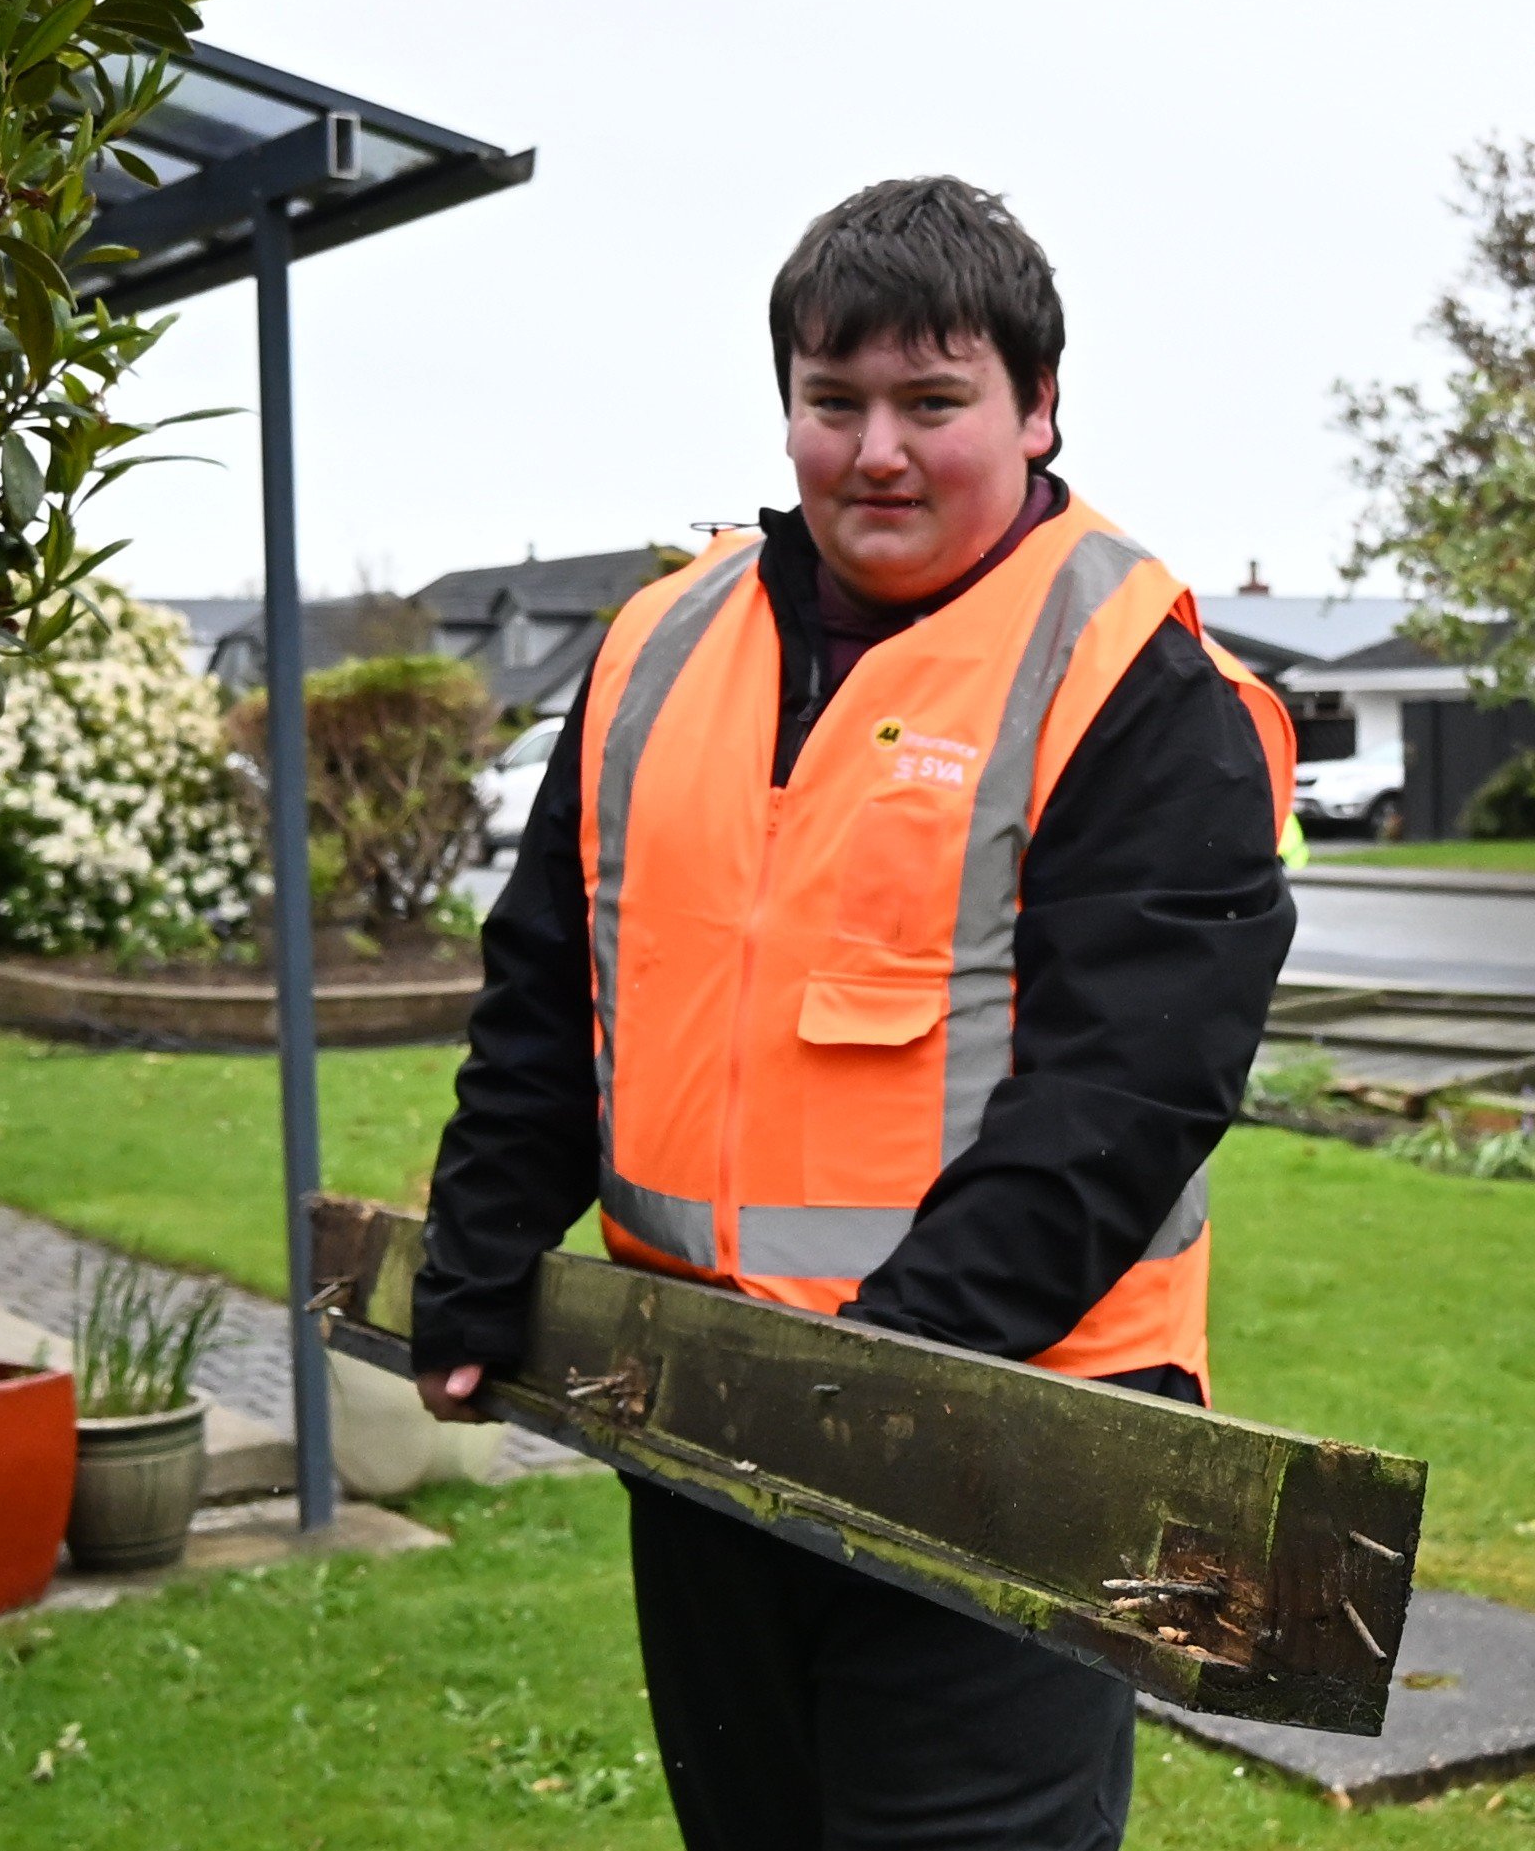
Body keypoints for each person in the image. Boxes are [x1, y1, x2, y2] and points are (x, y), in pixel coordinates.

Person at [408, 175, 1297, 1851]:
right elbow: (553, 988)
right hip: (709, 1409)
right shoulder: (658, 645)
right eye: (837, 401)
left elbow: (1131, 1086)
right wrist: (480, 1252)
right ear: (790, 408)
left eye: (933, 402)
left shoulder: (1130, 672)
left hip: (1010, 1428)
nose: (876, 449)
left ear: (1039, 412)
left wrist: (882, 1383)